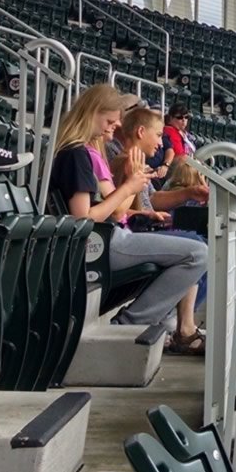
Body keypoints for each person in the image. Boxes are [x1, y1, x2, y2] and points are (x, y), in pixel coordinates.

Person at [49, 83, 206, 352]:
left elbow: (112, 208)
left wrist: (130, 185)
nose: (115, 126)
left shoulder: (81, 152)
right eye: (110, 120)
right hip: (101, 242)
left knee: (195, 248)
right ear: (92, 113)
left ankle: (151, 323)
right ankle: (130, 325)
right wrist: (128, 186)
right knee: (197, 253)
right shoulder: (75, 154)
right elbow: (83, 219)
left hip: (112, 236)